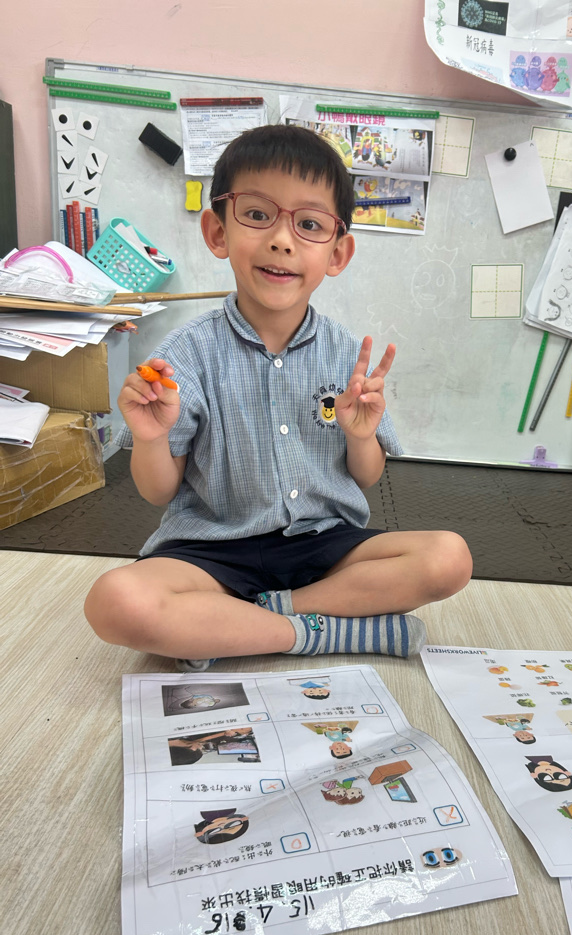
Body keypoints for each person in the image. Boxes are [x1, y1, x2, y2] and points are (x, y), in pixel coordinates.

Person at [84, 124, 472, 669]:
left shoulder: (345, 353)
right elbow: (157, 491)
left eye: (309, 224)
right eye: (257, 214)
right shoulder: (185, 355)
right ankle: (323, 632)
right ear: (217, 231)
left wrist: (360, 437)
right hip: (212, 551)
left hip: (323, 547)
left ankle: (251, 621)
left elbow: (365, 477)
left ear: (338, 253)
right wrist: (150, 439)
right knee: (115, 602)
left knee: (449, 557)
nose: (282, 240)